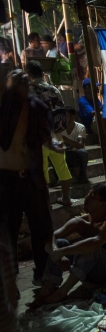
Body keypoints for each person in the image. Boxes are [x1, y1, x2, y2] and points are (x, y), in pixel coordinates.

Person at [27, 184, 106, 307]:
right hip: (91, 272)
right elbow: (51, 237)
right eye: (88, 194)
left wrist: (63, 252)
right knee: (60, 244)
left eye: (92, 196)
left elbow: (95, 242)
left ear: (102, 204)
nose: (86, 198)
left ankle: (62, 292)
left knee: (91, 248)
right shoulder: (80, 222)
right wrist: (56, 253)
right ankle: (48, 288)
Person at [0, 69, 54, 287]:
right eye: (16, 78)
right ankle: (10, 280)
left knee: (40, 227)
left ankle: (42, 272)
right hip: (6, 180)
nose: (22, 80)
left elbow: (46, 136)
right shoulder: (3, 109)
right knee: (8, 231)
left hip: (31, 177)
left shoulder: (35, 108)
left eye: (24, 78)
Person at [26, 60, 73, 206]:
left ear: (28, 74)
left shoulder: (30, 90)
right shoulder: (54, 89)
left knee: (42, 171)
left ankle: (45, 202)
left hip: (40, 136)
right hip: (57, 135)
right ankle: (66, 198)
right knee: (62, 167)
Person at [57, 106, 89, 184]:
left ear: (72, 117)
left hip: (75, 154)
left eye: (66, 115)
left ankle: (82, 176)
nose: (64, 118)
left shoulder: (80, 128)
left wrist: (65, 139)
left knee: (83, 152)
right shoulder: (59, 127)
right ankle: (59, 177)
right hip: (64, 154)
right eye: (63, 116)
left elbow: (81, 145)